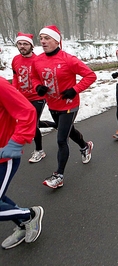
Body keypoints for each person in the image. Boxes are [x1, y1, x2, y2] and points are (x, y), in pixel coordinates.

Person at [31, 25, 96, 188]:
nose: (43, 41)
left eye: (47, 38)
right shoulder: (38, 60)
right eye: (41, 38)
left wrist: (74, 90)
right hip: (53, 105)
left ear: (56, 40)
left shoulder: (68, 59)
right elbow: (34, 77)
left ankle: (58, 175)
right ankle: (85, 146)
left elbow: (90, 75)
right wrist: (38, 87)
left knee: (61, 139)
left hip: (69, 105)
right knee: (69, 130)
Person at [0, 77, 44, 249]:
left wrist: (16, 141)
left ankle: (29, 216)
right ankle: (22, 223)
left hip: (5, 157)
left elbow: (28, 112)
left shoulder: (1, 85)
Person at [11, 32, 56, 163]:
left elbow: (46, 77)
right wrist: (14, 91)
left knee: (32, 124)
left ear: (31, 46)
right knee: (29, 122)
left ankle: (39, 151)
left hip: (37, 97)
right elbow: (15, 76)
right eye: (20, 44)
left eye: (25, 44)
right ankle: (57, 124)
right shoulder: (15, 60)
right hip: (22, 97)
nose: (22, 47)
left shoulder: (38, 60)